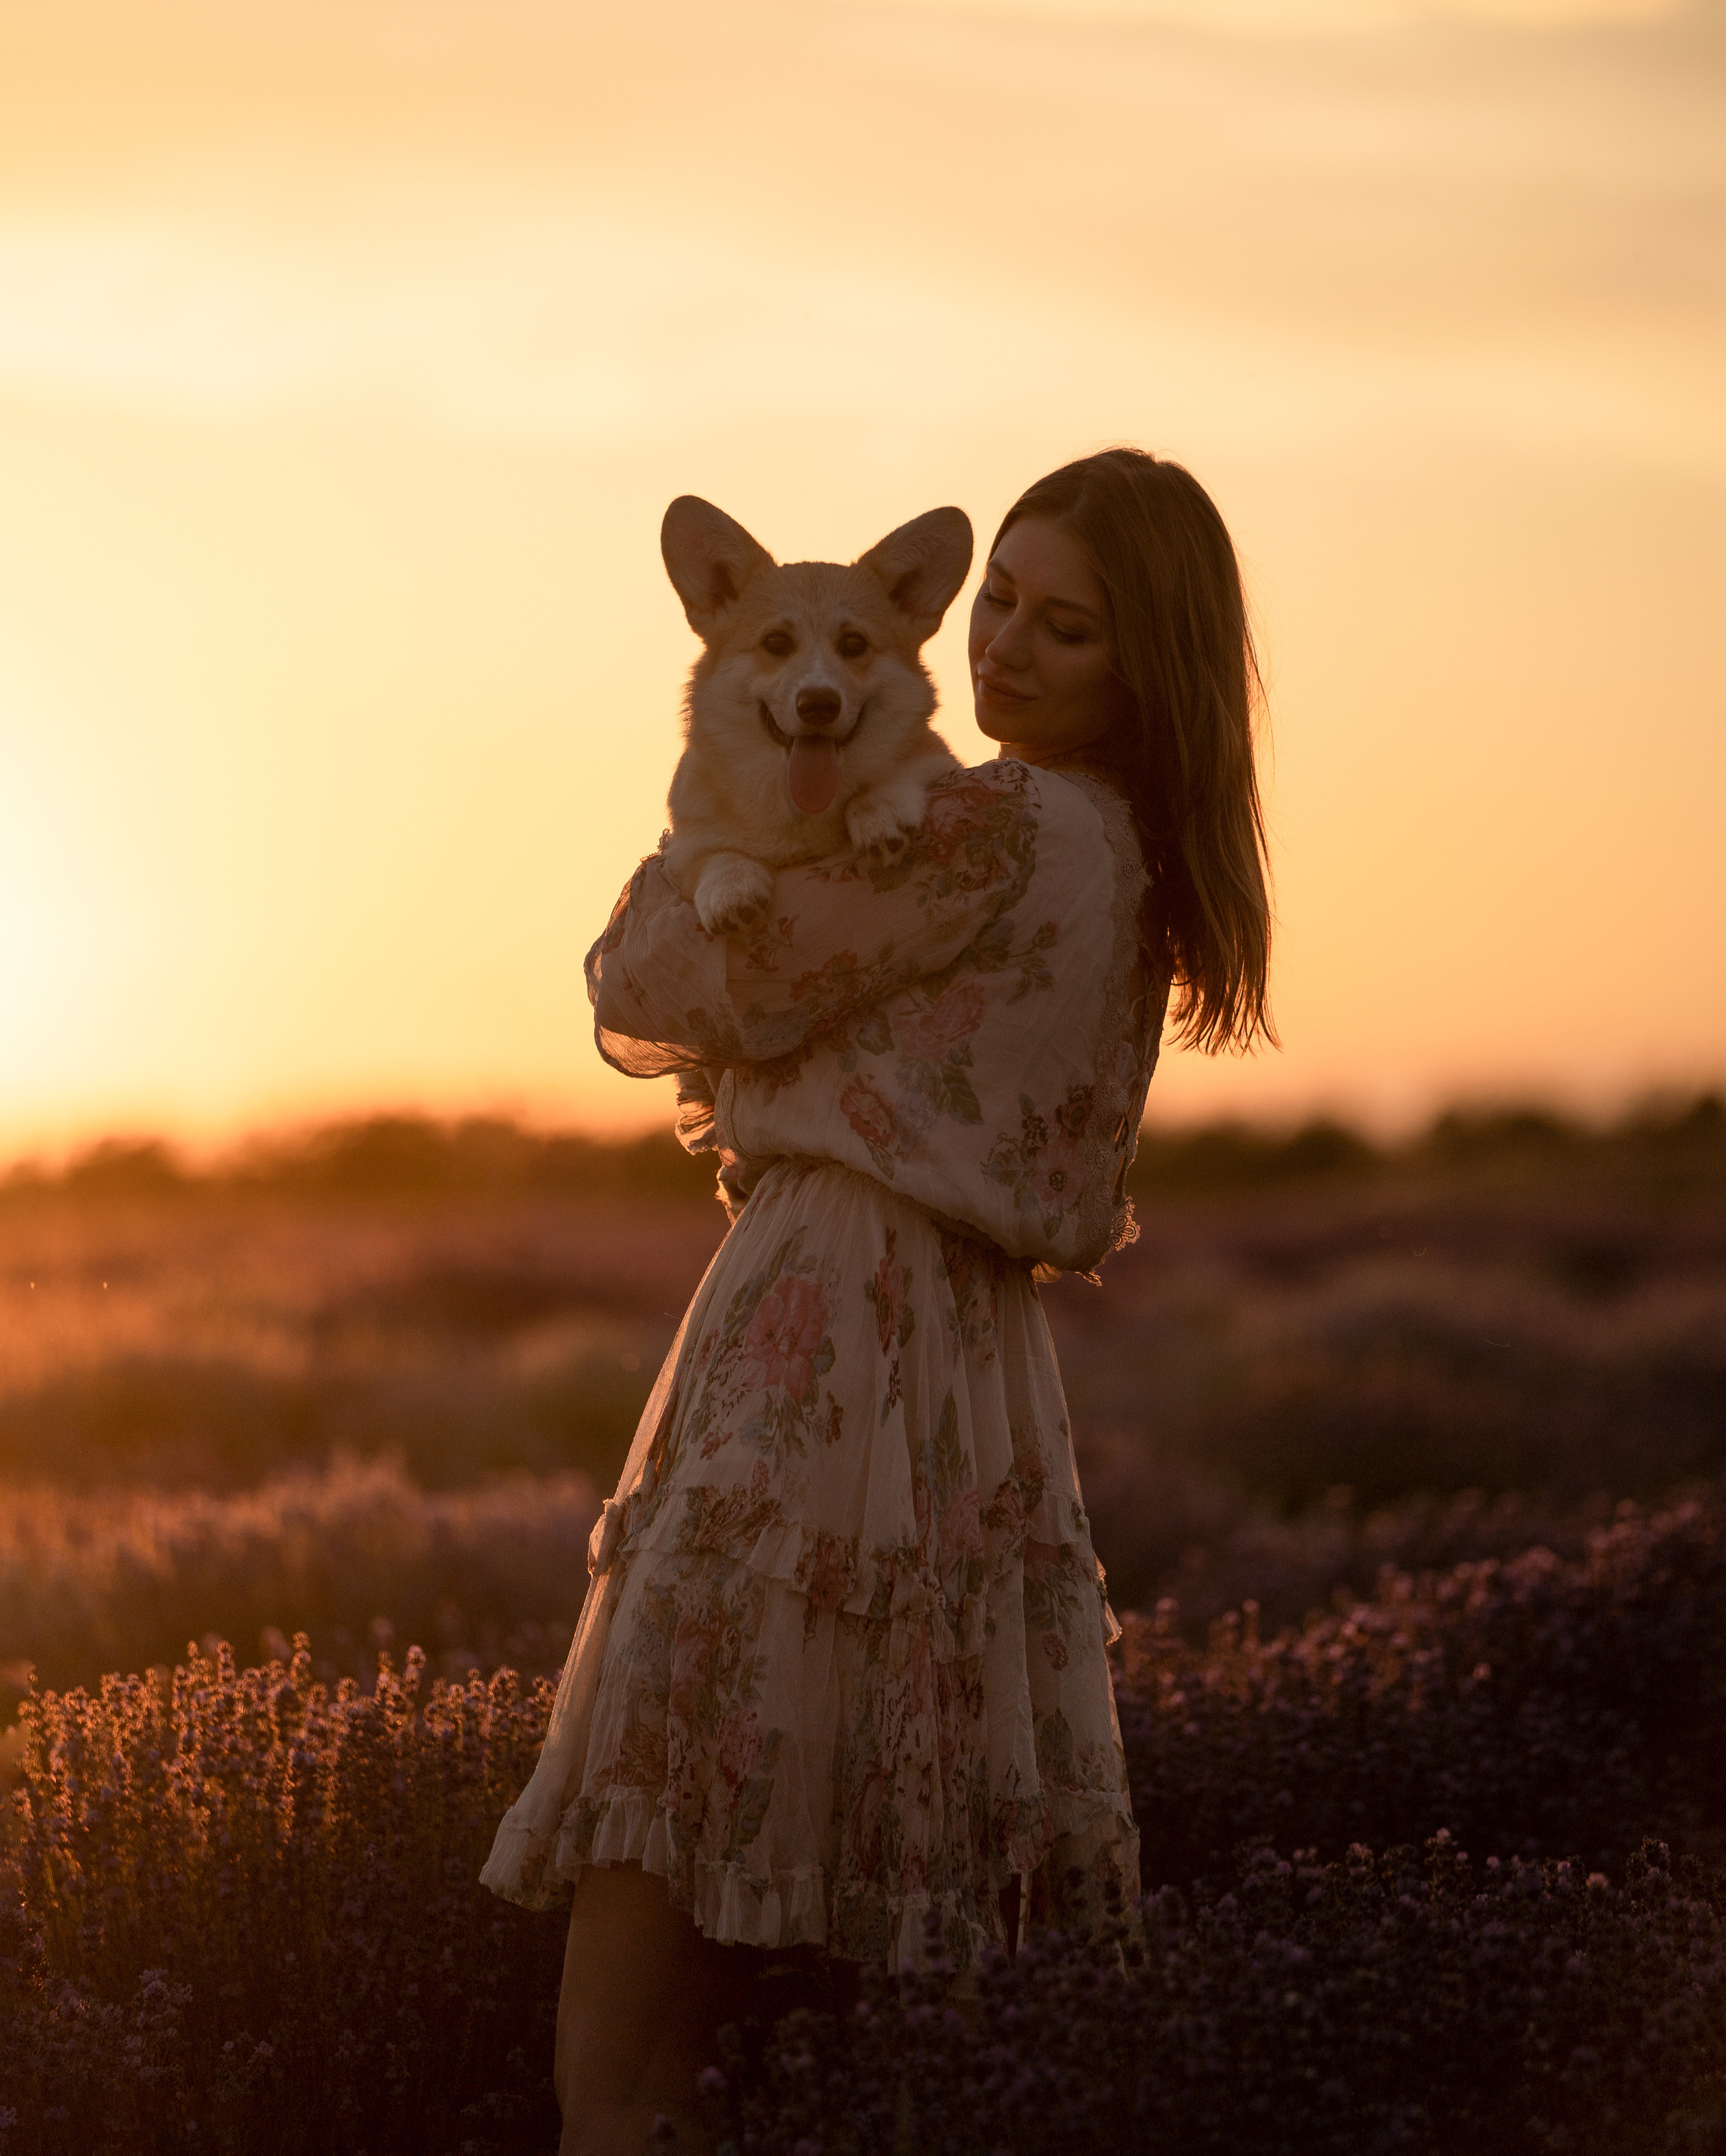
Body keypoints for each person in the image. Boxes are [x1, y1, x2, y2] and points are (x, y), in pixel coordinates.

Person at [481, 446, 1275, 2155]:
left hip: (821, 1330)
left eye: (1064, 631)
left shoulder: (986, 827)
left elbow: (648, 984)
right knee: (900, 1890)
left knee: (655, 1885)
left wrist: (703, 833)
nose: (1000, 649)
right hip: (975, 1369)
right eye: (1000, 602)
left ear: (1144, 669)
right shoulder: (1126, 849)